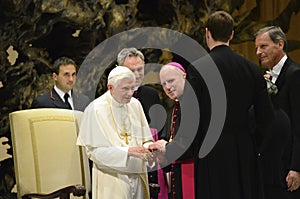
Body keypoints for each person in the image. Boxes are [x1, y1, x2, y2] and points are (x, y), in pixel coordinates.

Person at [193, 11, 274, 199]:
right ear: (231, 34)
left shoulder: (198, 69)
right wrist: (253, 144)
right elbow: (267, 118)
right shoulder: (252, 69)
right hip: (244, 152)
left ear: (207, 33)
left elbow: (193, 119)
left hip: (210, 153)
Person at [76, 66, 155, 199]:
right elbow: (93, 153)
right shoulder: (95, 109)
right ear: (110, 87)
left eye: (132, 88)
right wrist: (127, 152)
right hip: (112, 179)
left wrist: (149, 149)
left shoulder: (135, 105)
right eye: (125, 89)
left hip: (138, 176)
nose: (130, 93)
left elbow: (146, 139)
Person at [255, 26, 300, 198]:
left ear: (280, 44)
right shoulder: (266, 76)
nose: (258, 52)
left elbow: (299, 124)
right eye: (257, 48)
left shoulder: (295, 75)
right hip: (270, 168)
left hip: (288, 169)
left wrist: (296, 168)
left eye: (263, 46)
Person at [117, 47, 165, 199]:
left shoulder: (151, 95)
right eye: (132, 70)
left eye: (140, 69)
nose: (137, 75)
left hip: (151, 164)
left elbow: (160, 129)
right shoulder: (110, 99)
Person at [149, 62, 202, 199]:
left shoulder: (193, 104)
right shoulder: (176, 106)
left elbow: (190, 143)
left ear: (184, 76)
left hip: (194, 171)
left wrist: (166, 147)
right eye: (164, 83)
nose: (167, 87)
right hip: (179, 171)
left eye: (171, 81)